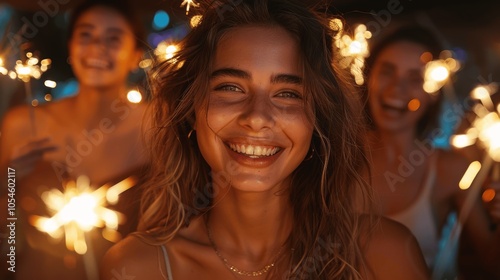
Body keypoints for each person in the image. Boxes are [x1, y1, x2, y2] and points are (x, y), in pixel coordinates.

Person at [100, 0, 429, 279]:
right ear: (192, 109)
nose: (257, 117)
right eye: (230, 87)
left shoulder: (385, 256)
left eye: (287, 93)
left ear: (318, 121)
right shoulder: (136, 267)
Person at [0, 0, 149, 279]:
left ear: (135, 55)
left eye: (113, 38)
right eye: (86, 35)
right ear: (70, 46)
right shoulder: (23, 125)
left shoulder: (157, 126)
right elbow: (5, 228)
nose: (97, 48)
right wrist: (8, 178)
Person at [361, 24, 500, 278]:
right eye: (386, 71)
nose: (396, 90)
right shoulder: (333, 158)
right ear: (368, 76)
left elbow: (491, 263)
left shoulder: (452, 170)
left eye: (415, 78)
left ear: (434, 93)